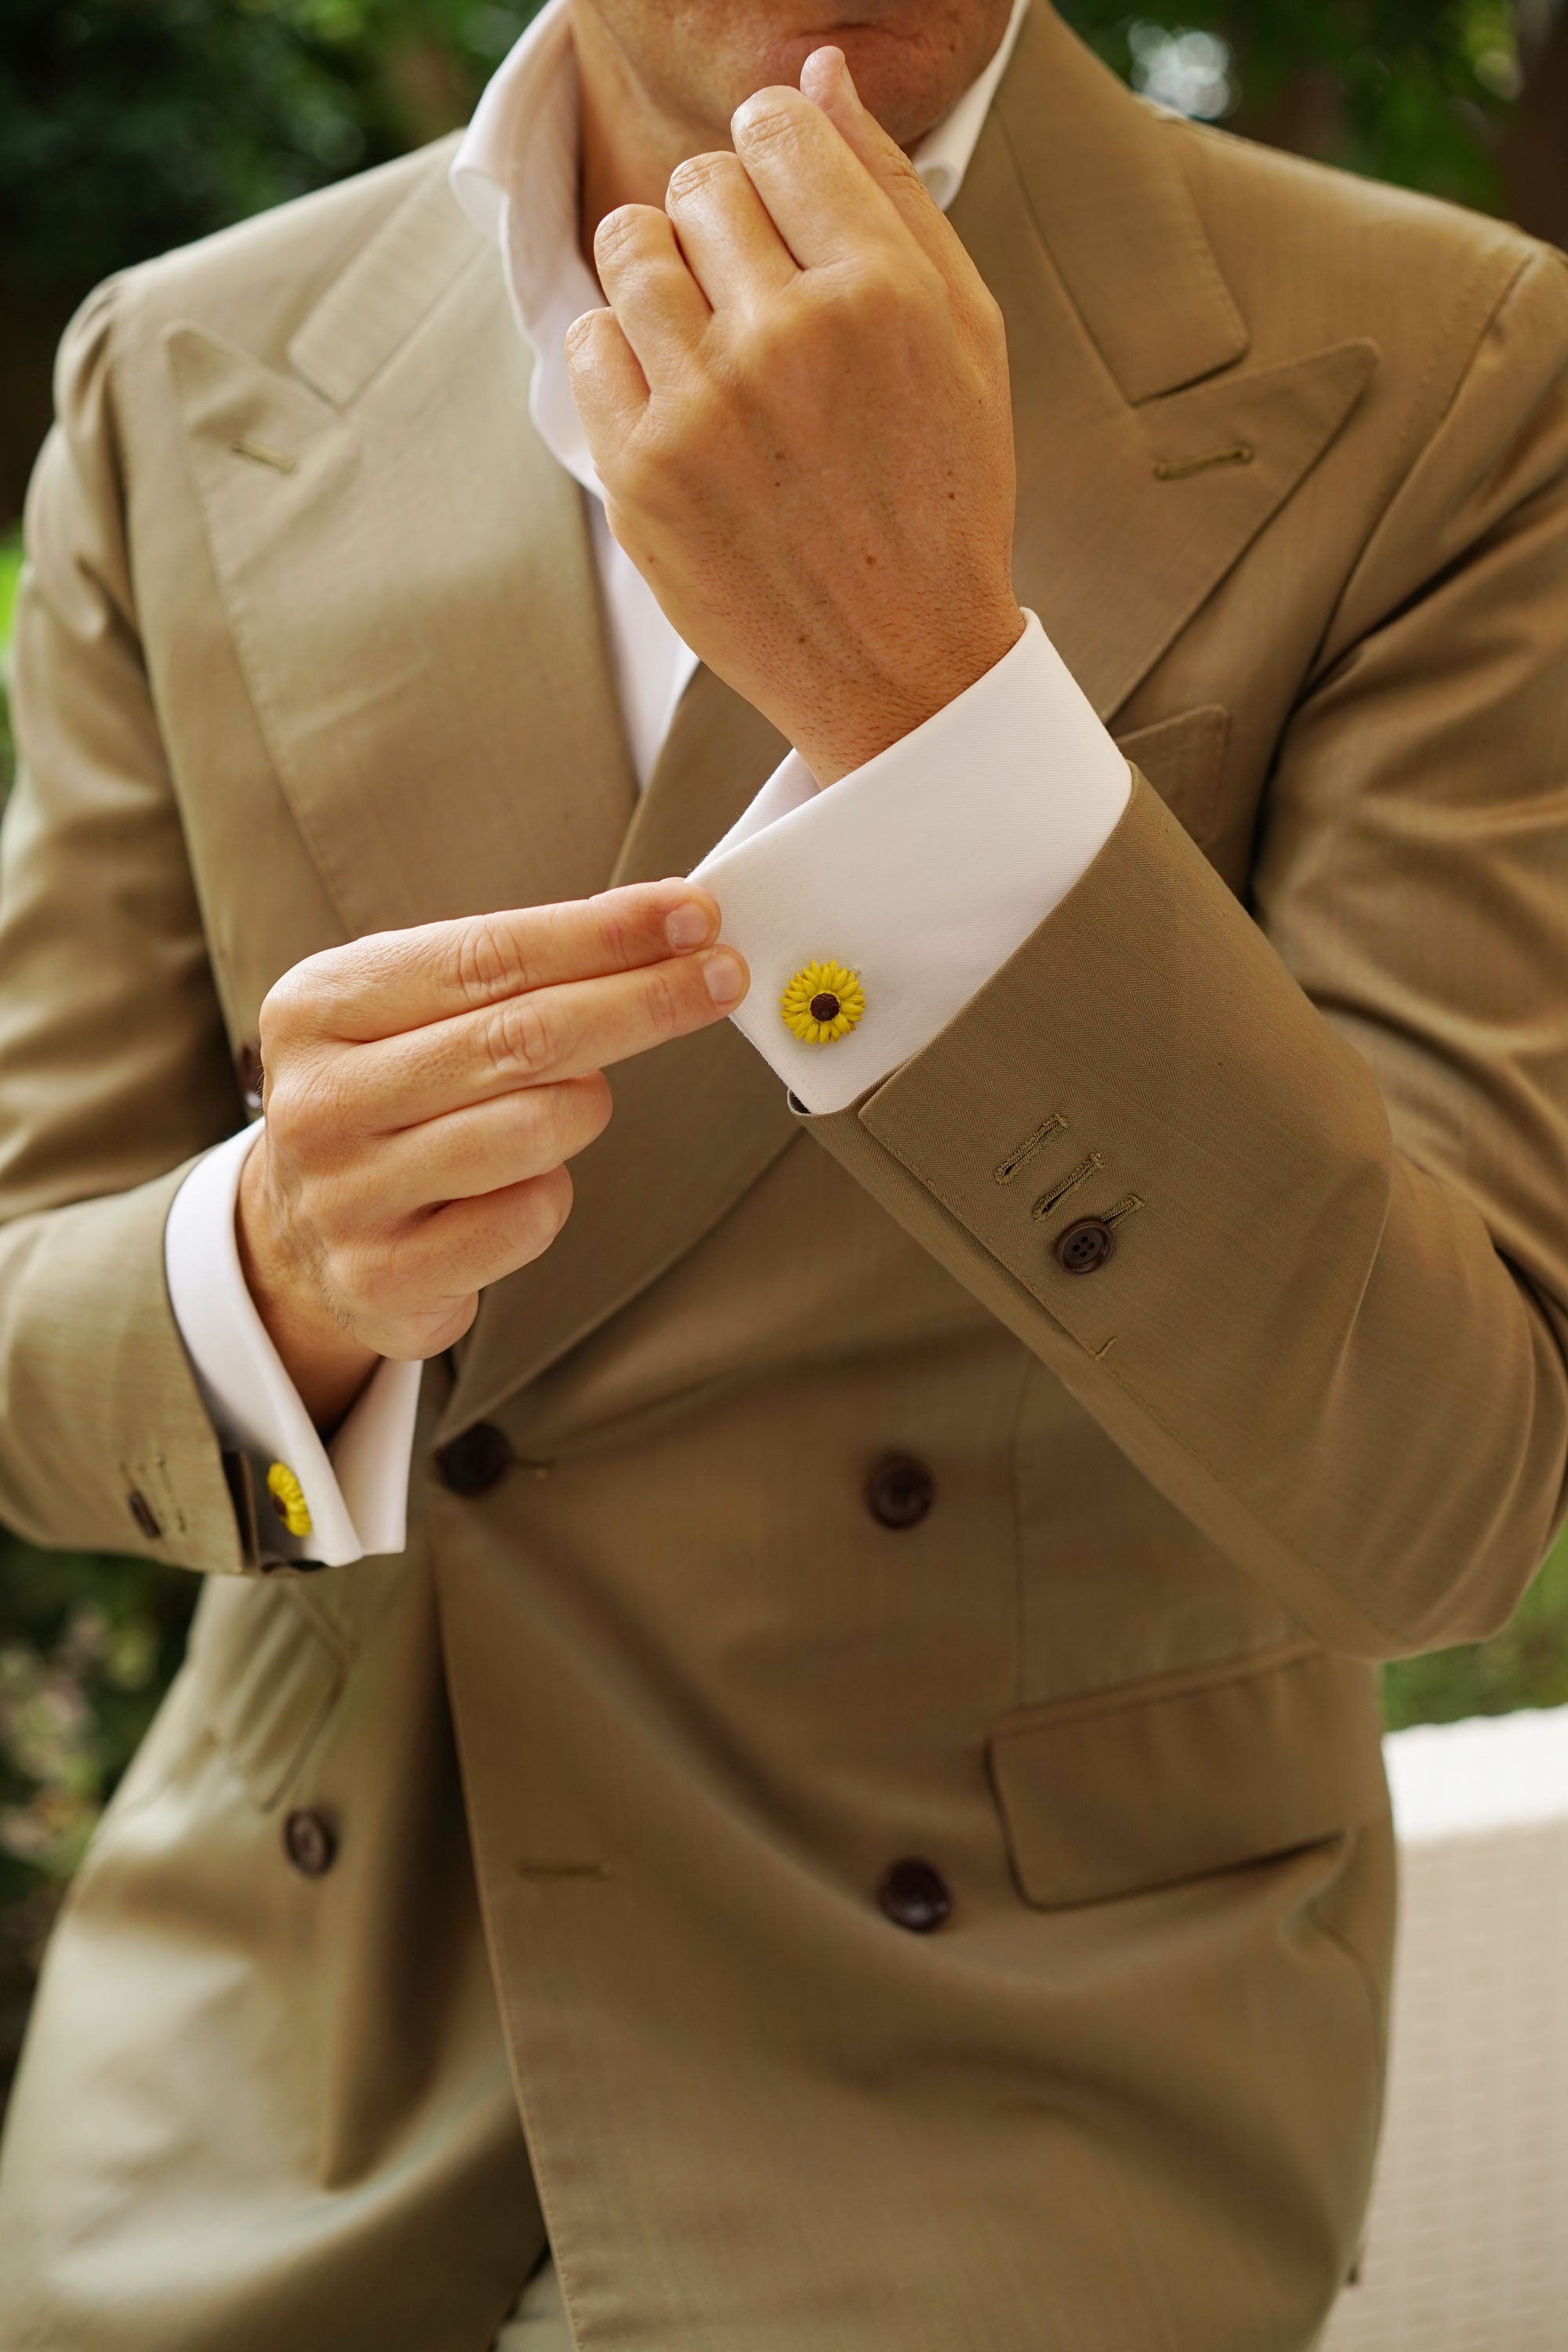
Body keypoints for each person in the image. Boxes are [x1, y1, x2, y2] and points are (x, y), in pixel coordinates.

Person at [1, 0, 1566, 2343]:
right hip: (274, 2075)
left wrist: (935, 703)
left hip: (1020, 2093)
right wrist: (272, 1270)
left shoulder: (1447, 366)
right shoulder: (183, 364)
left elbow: (1447, 1498)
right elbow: (34, 1315)